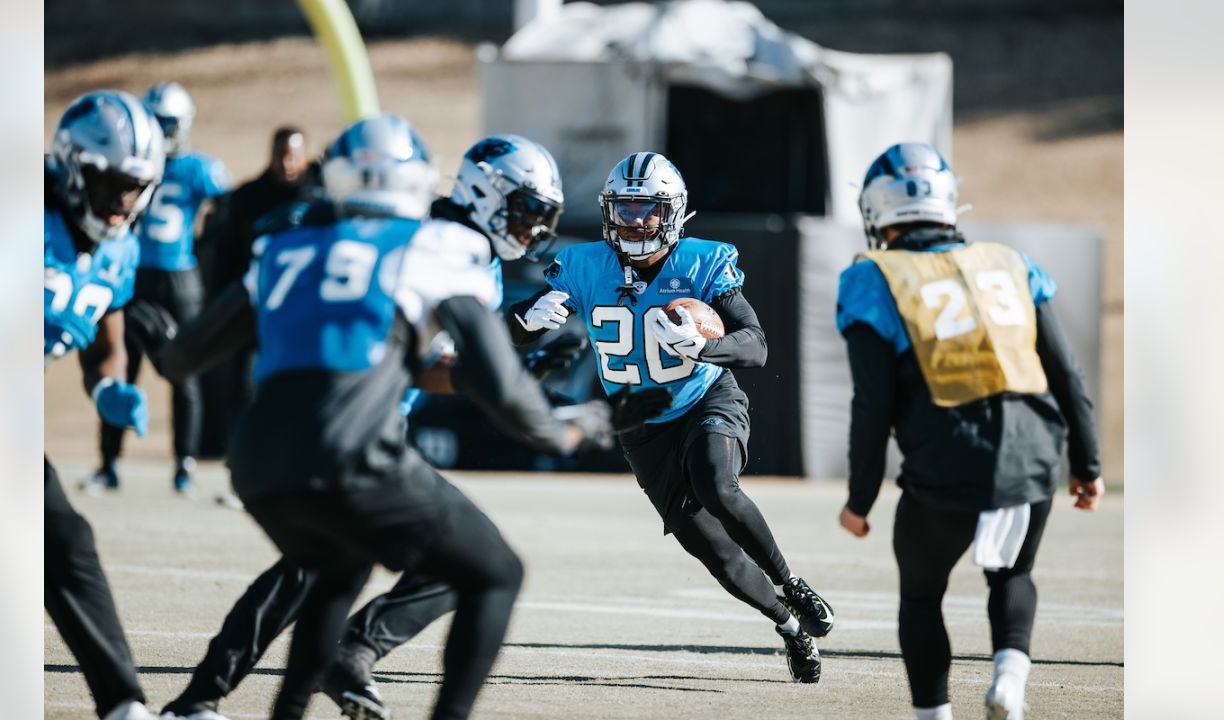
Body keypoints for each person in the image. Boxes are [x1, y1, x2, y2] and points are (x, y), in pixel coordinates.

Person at [156, 118, 670, 720]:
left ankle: (276, 681)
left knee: (338, 565)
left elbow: (185, 354)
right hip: (355, 434)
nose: (534, 228)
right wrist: (574, 423)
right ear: (487, 192)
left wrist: (518, 361)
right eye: (528, 209)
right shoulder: (443, 243)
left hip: (266, 442)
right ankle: (214, 690)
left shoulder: (305, 240)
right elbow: (469, 370)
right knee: (471, 567)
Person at [505, 151, 835, 684]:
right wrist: (525, 319)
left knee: (716, 483)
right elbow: (510, 333)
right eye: (624, 208)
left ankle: (792, 583)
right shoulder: (584, 266)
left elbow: (757, 347)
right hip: (640, 421)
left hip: (706, 396)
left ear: (673, 212)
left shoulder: (702, 263)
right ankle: (789, 628)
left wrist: (704, 348)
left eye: (646, 208)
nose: (634, 221)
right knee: (716, 555)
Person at [834, 142, 1104, 720]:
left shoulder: (872, 277)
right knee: (1013, 572)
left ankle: (934, 713)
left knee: (921, 595)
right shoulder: (1010, 261)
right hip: (1034, 452)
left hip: (947, 459)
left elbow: (872, 403)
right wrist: (1089, 465)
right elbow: (1067, 373)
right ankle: (1009, 676)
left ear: (877, 211)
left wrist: (859, 499)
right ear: (948, 201)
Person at [45, 91, 167, 720]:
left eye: (136, 185)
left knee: (64, 540)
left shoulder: (119, 248)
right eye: (112, 182)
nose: (123, 200)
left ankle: (123, 705)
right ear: (74, 167)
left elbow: (105, 342)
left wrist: (108, 387)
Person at [83, 81, 232, 495]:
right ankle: (108, 463)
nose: (165, 132)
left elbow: (228, 213)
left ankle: (183, 463)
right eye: (159, 123)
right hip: (134, 273)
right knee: (119, 366)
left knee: (184, 370)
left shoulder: (199, 168)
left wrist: (203, 246)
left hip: (179, 276)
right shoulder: (132, 163)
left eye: (171, 123)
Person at [197, 126, 312, 461]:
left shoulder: (321, 198)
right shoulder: (248, 198)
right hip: (256, 309)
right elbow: (227, 255)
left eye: (293, 155)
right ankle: (246, 460)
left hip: (304, 313)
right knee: (245, 388)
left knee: (299, 387)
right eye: (280, 155)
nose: (287, 163)